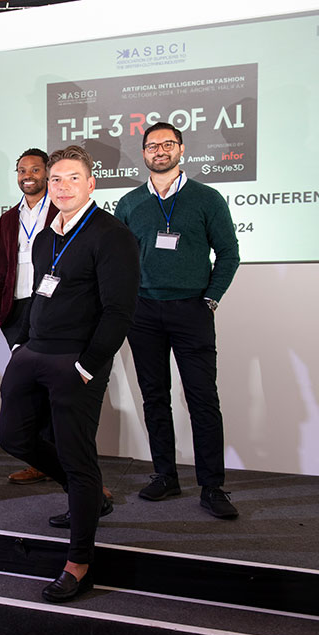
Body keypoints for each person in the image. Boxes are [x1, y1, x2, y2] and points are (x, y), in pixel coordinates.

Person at [0, 145, 139, 603]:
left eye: (72, 178)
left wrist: (87, 365)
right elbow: (39, 292)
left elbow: (119, 311)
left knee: (77, 457)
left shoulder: (111, 235)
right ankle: (91, 496)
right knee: (14, 439)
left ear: (91, 183)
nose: (61, 186)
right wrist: (20, 343)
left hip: (76, 361)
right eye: (56, 179)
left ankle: (79, 564)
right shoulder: (44, 236)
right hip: (34, 352)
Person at [115, 122, 241, 519]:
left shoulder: (207, 198)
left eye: (168, 144)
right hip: (144, 313)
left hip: (192, 309)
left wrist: (211, 298)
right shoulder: (130, 203)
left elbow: (229, 254)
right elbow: (119, 263)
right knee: (155, 397)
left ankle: (213, 486)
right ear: (144, 153)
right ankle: (165, 475)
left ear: (182, 150)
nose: (160, 151)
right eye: (152, 146)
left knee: (203, 398)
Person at [0, 149, 58, 485]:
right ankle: (39, 460)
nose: (28, 175)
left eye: (35, 169)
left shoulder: (60, 208)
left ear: (47, 173)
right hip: (16, 309)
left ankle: (54, 460)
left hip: (49, 308)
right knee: (27, 388)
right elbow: (4, 266)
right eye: (22, 170)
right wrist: (3, 312)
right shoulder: (8, 218)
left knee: (51, 387)